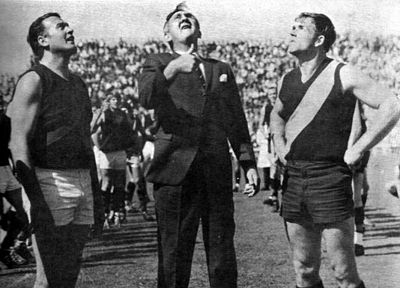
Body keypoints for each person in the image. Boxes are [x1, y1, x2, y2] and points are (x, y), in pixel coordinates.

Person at [270, 12, 400, 288]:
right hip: (293, 179)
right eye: (291, 26)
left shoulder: (342, 73)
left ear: (319, 39)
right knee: (304, 271)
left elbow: (392, 105)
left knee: (344, 275)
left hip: (329, 178)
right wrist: (280, 146)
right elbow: (277, 115)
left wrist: (359, 148)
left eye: (300, 28)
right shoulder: (286, 79)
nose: (291, 31)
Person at [139, 3, 259, 288]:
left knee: (222, 250)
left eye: (190, 16)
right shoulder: (156, 63)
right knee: (174, 254)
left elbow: (236, 121)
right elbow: (145, 98)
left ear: (200, 31)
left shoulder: (220, 68)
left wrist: (248, 163)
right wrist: (172, 69)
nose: (184, 18)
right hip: (175, 171)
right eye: (176, 17)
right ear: (166, 34)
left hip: (216, 170)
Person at [7, 13, 102, 287]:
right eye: (61, 26)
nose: (70, 29)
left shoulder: (79, 84)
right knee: (47, 279)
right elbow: (18, 143)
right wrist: (36, 201)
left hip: (82, 179)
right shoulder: (33, 80)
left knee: (69, 277)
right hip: (50, 182)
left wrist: (95, 193)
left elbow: (85, 142)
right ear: (43, 40)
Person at [91, 94, 136, 227]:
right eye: (113, 99)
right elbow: (93, 131)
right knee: (106, 183)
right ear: (108, 102)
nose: (116, 101)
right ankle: (104, 213)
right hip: (107, 153)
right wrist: (100, 147)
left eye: (118, 99)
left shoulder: (122, 114)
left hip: (120, 151)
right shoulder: (104, 114)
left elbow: (130, 130)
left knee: (119, 184)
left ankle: (116, 212)